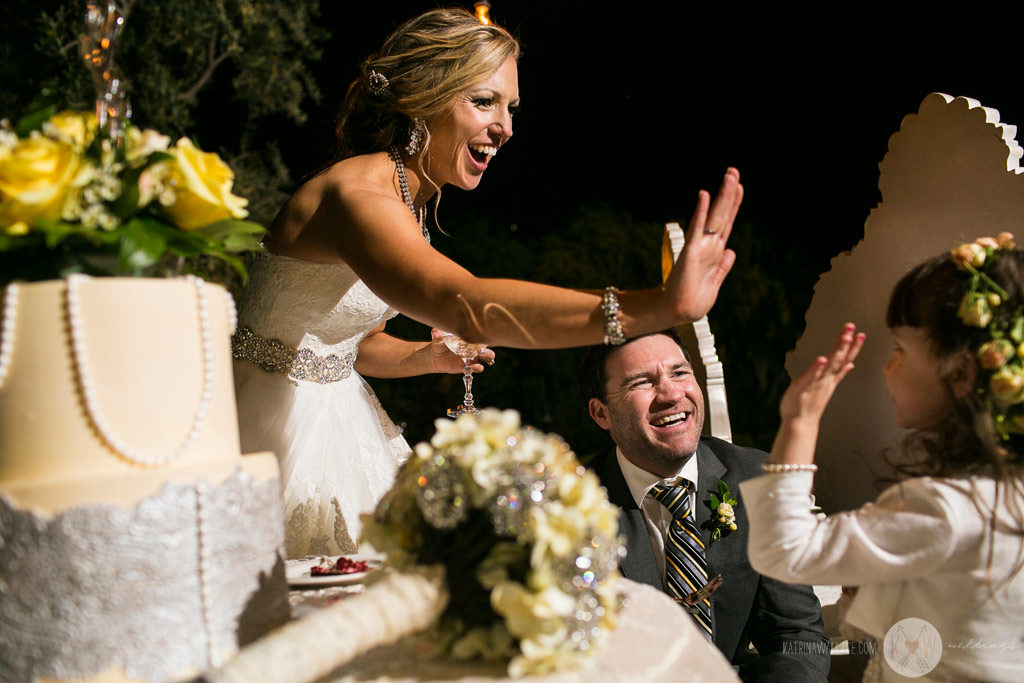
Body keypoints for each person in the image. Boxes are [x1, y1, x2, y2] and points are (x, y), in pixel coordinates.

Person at [232, 8, 744, 558]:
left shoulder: (412, 202)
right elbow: (469, 306)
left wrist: (424, 358)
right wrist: (658, 307)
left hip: (341, 416)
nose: (507, 126)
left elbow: (352, 344)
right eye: (484, 101)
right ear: (425, 99)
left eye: (511, 107)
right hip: (264, 427)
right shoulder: (358, 197)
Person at [742, 235, 1024, 682]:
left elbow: (784, 551)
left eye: (900, 349)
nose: (887, 366)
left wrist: (800, 421)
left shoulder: (942, 509)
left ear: (962, 374)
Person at [577, 329, 831, 680]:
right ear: (601, 413)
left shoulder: (758, 480)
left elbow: (796, 636)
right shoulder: (574, 506)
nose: (670, 394)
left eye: (680, 373)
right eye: (641, 382)